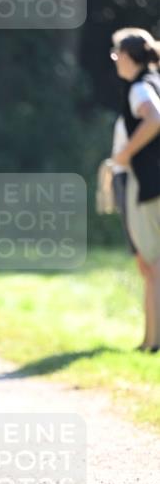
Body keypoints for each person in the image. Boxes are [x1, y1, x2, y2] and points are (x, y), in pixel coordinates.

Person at [110, 28, 160, 352]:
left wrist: (125, 154)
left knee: (152, 265)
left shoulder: (140, 87)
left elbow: (154, 118)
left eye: (117, 53)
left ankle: (153, 343)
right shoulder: (154, 82)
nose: (115, 58)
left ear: (128, 56)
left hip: (148, 185)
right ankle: (149, 340)